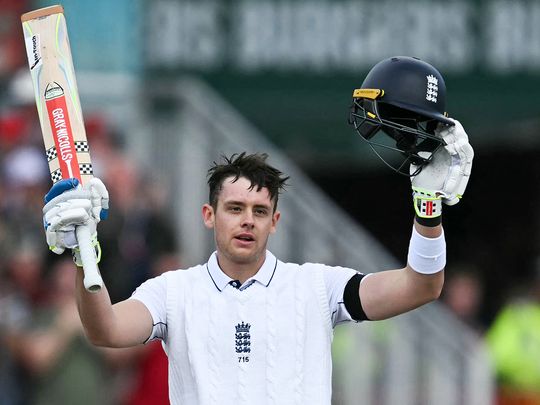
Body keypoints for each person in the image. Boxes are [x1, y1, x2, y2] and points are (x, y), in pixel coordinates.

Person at [41, 56, 473, 404]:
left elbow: (421, 286)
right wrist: (84, 257)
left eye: (259, 210)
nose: (247, 219)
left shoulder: (316, 287)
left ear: (275, 221)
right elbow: (106, 330)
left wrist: (427, 208)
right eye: (234, 208)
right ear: (209, 216)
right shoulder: (173, 292)